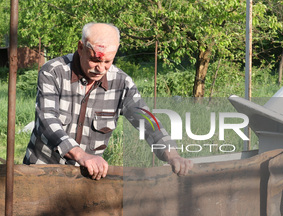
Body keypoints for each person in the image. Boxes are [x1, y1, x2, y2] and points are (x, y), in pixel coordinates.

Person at [22, 22, 192, 180]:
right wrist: (81, 155)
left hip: (87, 177)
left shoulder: (122, 83)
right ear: (81, 48)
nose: (101, 68)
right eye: (95, 59)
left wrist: (173, 155)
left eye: (108, 61)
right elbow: (47, 120)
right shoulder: (53, 72)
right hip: (42, 172)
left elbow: (147, 121)